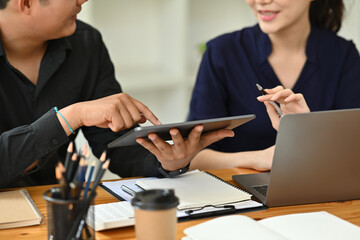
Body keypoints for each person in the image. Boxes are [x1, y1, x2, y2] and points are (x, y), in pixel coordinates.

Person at [0, 0, 234, 187]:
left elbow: (114, 144)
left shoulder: (87, 43)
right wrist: (72, 117)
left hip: (59, 205)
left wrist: (164, 160)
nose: (83, 0)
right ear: (26, 3)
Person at [188, 0, 360, 171]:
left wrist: (307, 132)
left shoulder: (344, 56)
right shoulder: (221, 52)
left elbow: (352, 153)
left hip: (321, 196)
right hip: (235, 195)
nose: (261, 1)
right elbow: (193, 157)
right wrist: (258, 158)